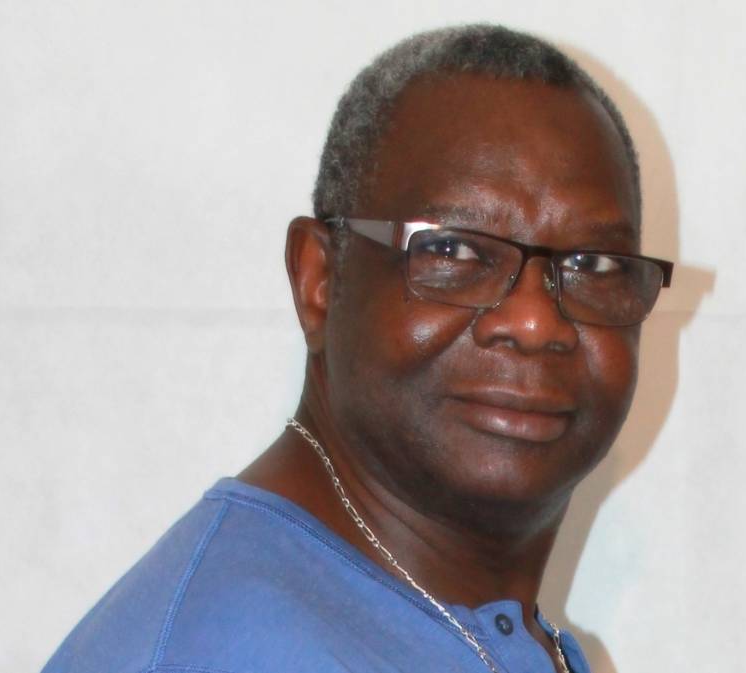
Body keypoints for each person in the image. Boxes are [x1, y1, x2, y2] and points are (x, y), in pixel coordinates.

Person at [42, 24, 673, 673]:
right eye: (454, 250)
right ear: (320, 279)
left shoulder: (473, 630)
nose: (537, 322)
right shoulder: (230, 652)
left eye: (594, 264)